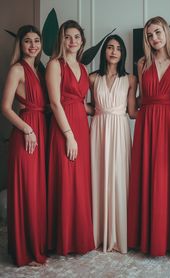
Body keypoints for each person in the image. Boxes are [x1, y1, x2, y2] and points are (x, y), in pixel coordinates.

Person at [127, 16, 170, 256]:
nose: (154, 39)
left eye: (157, 33)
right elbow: (142, 98)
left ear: (166, 32)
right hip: (147, 122)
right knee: (147, 175)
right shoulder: (142, 63)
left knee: (169, 178)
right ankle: (145, 237)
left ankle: (169, 238)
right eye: (149, 36)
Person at [46, 20, 95, 255]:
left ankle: (79, 238)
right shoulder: (55, 65)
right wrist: (69, 135)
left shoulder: (84, 69)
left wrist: (105, 110)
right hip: (64, 128)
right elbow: (55, 103)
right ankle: (63, 240)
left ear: (82, 41)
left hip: (81, 127)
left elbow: (82, 103)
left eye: (76, 36)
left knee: (80, 182)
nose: (73, 41)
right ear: (61, 40)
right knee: (65, 180)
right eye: (68, 36)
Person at [1, 25, 47, 266]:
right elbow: (6, 107)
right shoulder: (17, 70)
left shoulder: (38, 70)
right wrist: (27, 129)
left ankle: (36, 243)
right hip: (26, 133)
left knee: (38, 190)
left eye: (36, 40)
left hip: (41, 131)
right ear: (20, 44)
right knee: (27, 189)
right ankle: (24, 249)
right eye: (27, 41)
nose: (32, 45)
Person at [89, 34, 137, 253]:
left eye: (118, 48)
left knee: (118, 178)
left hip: (119, 129)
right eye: (109, 47)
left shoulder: (130, 79)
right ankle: (97, 234)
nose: (114, 51)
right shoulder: (91, 78)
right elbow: (87, 106)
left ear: (123, 53)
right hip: (98, 129)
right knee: (97, 177)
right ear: (104, 52)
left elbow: (133, 112)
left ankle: (118, 234)